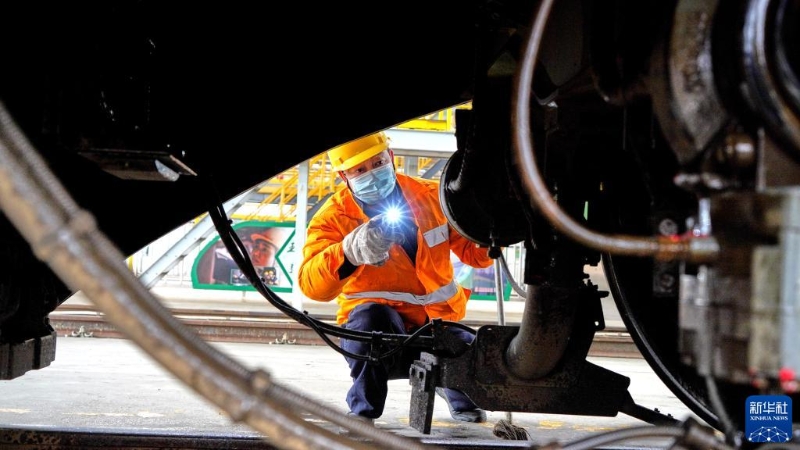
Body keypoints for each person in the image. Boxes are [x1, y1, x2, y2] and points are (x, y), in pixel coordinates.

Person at [297, 131, 493, 424]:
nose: (372, 174)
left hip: (436, 324)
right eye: (359, 170)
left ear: (390, 157)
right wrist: (349, 253)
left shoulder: (432, 197)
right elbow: (312, 286)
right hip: (382, 334)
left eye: (377, 163)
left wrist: (489, 226)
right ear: (343, 176)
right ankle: (363, 410)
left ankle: (454, 389)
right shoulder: (333, 218)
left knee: (470, 351)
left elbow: (476, 255)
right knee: (370, 322)